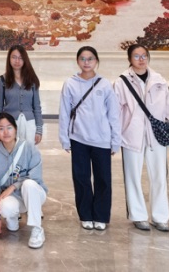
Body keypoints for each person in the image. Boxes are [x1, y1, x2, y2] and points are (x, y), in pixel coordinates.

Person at [113, 44, 169, 232]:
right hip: (132, 137)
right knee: (133, 177)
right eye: (136, 56)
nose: (141, 59)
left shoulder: (159, 81)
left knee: (160, 177)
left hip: (156, 137)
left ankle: (160, 217)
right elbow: (115, 113)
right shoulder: (121, 82)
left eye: (144, 55)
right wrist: (115, 138)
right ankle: (138, 216)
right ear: (129, 59)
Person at [58, 46, 121, 231]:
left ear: (97, 61)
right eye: (83, 59)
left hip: (102, 139)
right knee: (81, 178)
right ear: (78, 61)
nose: (87, 62)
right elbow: (64, 113)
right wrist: (64, 138)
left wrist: (115, 140)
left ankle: (101, 216)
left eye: (90, 58)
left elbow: (114, 114)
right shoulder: (70, 83)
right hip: (78, 139)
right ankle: (85, 215)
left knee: (103, 179)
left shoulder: (105, 84)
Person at [0, 112, 47, 249]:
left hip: (34, 195)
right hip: (14, 199)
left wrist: (13, 186)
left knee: (28, 184)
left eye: (9, 127)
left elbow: (35, 177)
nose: (6, 132)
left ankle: (37, 229)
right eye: (1, 128)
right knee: (5, 207)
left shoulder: (28, 147)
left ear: (15, 129)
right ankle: (12, 219)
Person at [0, 45, 44, 146]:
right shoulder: (2, 81)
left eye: (20, 58)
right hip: (10, 124)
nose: (17, 61)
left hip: (29, 124)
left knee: (29, 153)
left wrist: (39, 129)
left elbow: (37, 107)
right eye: (14, 57)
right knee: (12, 152)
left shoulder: (32, 80)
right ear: (9, 59)